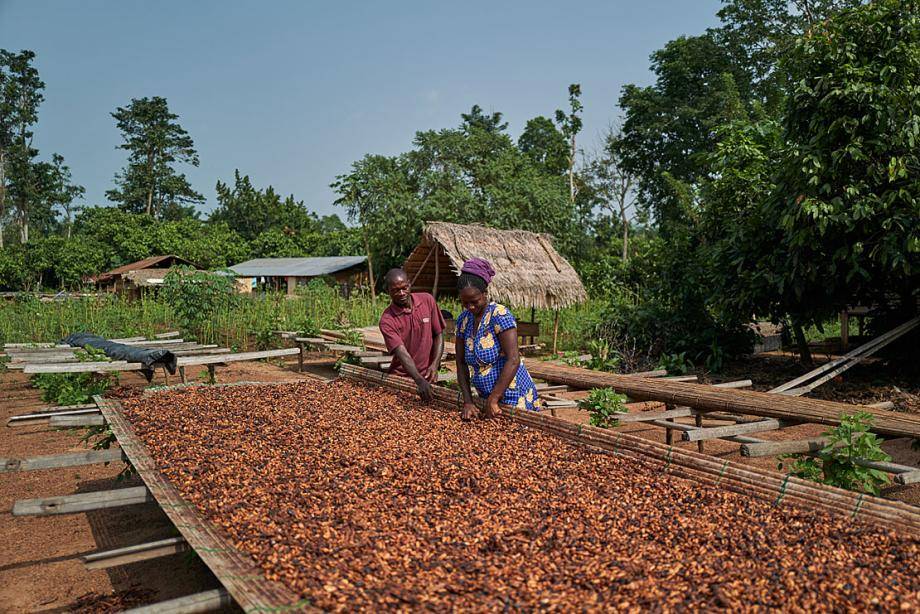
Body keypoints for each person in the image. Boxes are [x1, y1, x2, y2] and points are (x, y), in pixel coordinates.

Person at [454, 258, 542, 421]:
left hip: (513, 394)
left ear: (485, 293)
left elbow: (513, 359)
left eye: (474, 301)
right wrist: (468, 401)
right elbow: (460, 362)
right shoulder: (463, 321)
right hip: (486, 396)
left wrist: (494, 398)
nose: (470, 307)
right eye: (465, 303)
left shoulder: (499, 315)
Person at [378, 268, 446, 402]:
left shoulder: (427, 300)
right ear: (388, 292)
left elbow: (438, 334)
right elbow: (402, 354)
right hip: (402, 378)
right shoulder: (387, 320)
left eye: (404, 288)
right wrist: (418, 380)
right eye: (396, 290)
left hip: (427, 376)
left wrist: (434, 365)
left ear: (410, 284)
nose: (402, 293)